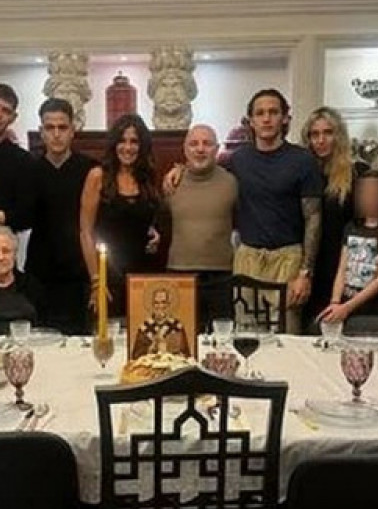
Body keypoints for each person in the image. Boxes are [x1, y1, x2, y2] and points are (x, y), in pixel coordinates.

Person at [227, 89, 323, 334]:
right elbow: (205, 172)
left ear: (285, 118)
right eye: (260, 113)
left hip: (288, 260)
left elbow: (313, 217)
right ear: (251, 121)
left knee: (287, 339)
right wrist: (179, 170)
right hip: (248, 259)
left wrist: (305, 273)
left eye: (273, 112)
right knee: (246, 338)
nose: (267, 118)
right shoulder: (238, 160)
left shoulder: (303, 160)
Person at [25, 97, 96, 335]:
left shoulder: (89, 169)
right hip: (39, 271)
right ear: (41, 132)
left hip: (79, 272)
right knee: (43, 340)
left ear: (72, 131)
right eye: (50, 127)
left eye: (62, 127)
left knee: (80, 342)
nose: (56, 134)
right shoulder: (29, 169)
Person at [79, 113, 161, 318]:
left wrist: (154, 233)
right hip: (107, 274)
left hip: (142, 274)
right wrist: (96, 281)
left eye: (134, 141)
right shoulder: (98, 176)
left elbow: (145, 219)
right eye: (122, 141)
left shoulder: (147, 178)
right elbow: (85, 232)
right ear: (114, 144)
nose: (128, 147)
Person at [163, 123, 237, 330]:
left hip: (221, 278)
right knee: (180, 340)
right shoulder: (171, 183)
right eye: (194, 144)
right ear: (185, 149)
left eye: (207, 143)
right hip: (179, 275)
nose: (200, 149)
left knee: (221, 341)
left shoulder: (232, 182)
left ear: (217, 148)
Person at [301, 106, 368, 329]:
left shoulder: (357, 173)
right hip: (308, 263)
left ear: (338, 135)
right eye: (314, 134)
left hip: (344, 263)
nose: (321, 140)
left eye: (328, 133)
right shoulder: (302, 172)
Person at [318, 170, 378, 332]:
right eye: (364, 192)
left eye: (374, 192)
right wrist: (335, 302)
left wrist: (347, 308)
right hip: (344, 301)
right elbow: (342, 269)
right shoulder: (351, 227)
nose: (369, 198)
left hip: (372, 308)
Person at [0, 83, 36, 236]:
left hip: (1, 245)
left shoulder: (23, 161)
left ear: (13, 118)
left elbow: (27, 216)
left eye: (5, 110)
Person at [130, 284, 192, 359]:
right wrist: (152, 347)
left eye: (163, 302)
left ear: (168, 304)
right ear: (152, 304)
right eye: (157, 303)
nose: (160, 306)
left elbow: (185, 355)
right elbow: (136, 356)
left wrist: (169, 349)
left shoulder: (177, 326)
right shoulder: (145, 327)